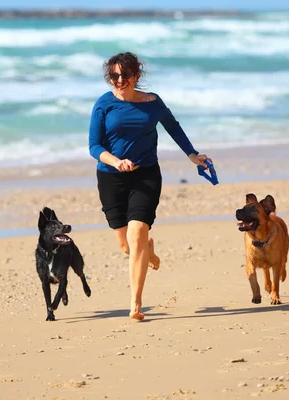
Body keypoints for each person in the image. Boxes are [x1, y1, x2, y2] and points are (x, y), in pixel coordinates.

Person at [88, 52, 211, 321]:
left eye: (125, 75)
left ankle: (136, 303)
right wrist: (116, 161)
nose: (119, 80)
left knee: (137, 232)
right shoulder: (103, 105)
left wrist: (193, 155)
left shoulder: (153, 103)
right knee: (126, 246)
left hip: (146, 175)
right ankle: (149, 248)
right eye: (114, 75)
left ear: (136, 76)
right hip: (111, 177)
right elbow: (94, 146)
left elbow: (173, 128)